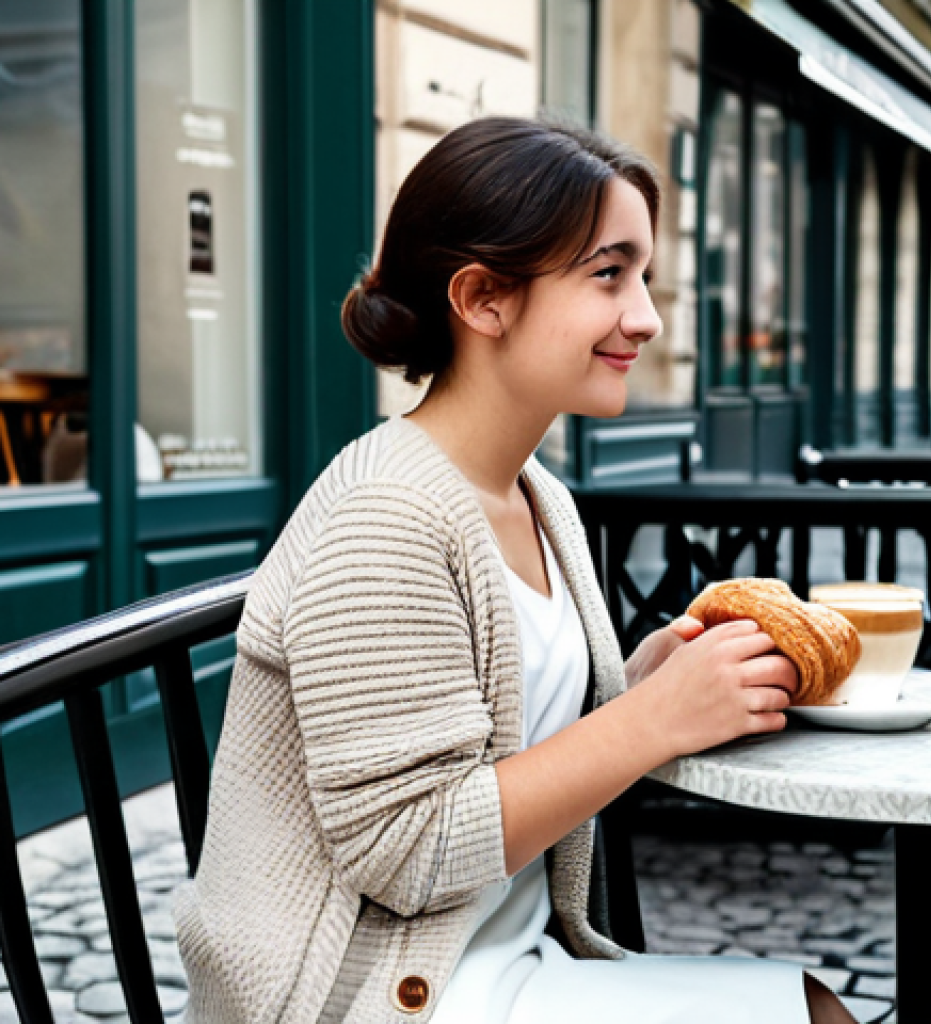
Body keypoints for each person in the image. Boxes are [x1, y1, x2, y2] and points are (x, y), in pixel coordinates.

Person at [173, 116, 856, 1024]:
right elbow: (407, 849)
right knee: (809, 1015)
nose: (646, 317)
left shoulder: (538, 496)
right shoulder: (387, 514)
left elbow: (504, 734)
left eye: (643, 275)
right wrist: (653, 721)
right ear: (484, 299)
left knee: (811, 1007)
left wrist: (637, 684)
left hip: (501, 962)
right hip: (378, 996)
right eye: (609, 274)